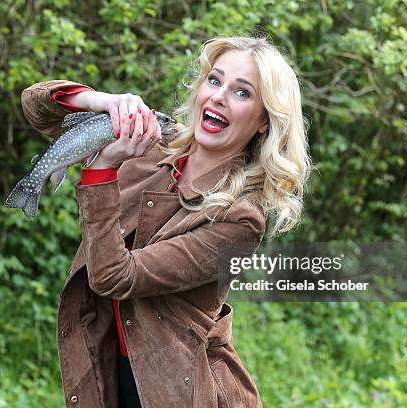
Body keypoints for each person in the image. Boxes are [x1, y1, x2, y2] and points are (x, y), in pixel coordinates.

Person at [20, 35, 310, 408]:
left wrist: (102, 170)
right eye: (215, 80)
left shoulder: (240, 218)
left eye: (242, 93)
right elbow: (35, 106)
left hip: (179, 388)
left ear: (263, 122)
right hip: (109, 368)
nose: (219, 96)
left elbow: (114, 277)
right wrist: (103, 102)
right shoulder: (152, 140)